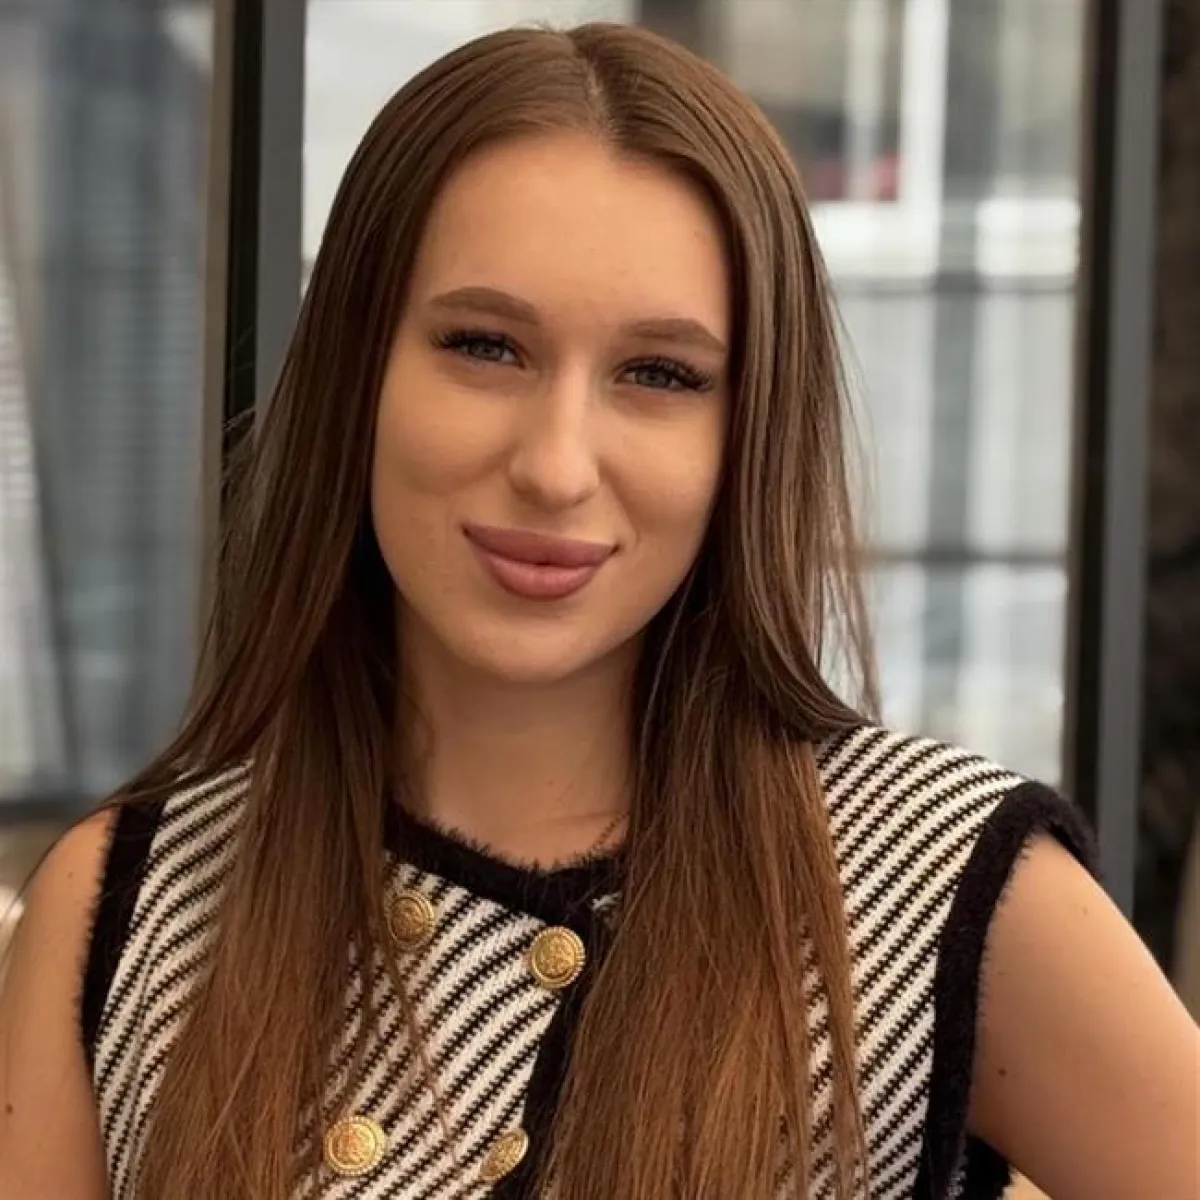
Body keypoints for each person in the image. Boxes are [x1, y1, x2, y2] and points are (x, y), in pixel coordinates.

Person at [1, 22, 1196, 1200]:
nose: (556, 466)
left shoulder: (926, 880)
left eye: (660, 374)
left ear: (749, 432)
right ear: (357, 373)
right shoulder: (131, 908)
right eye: (485, 346)